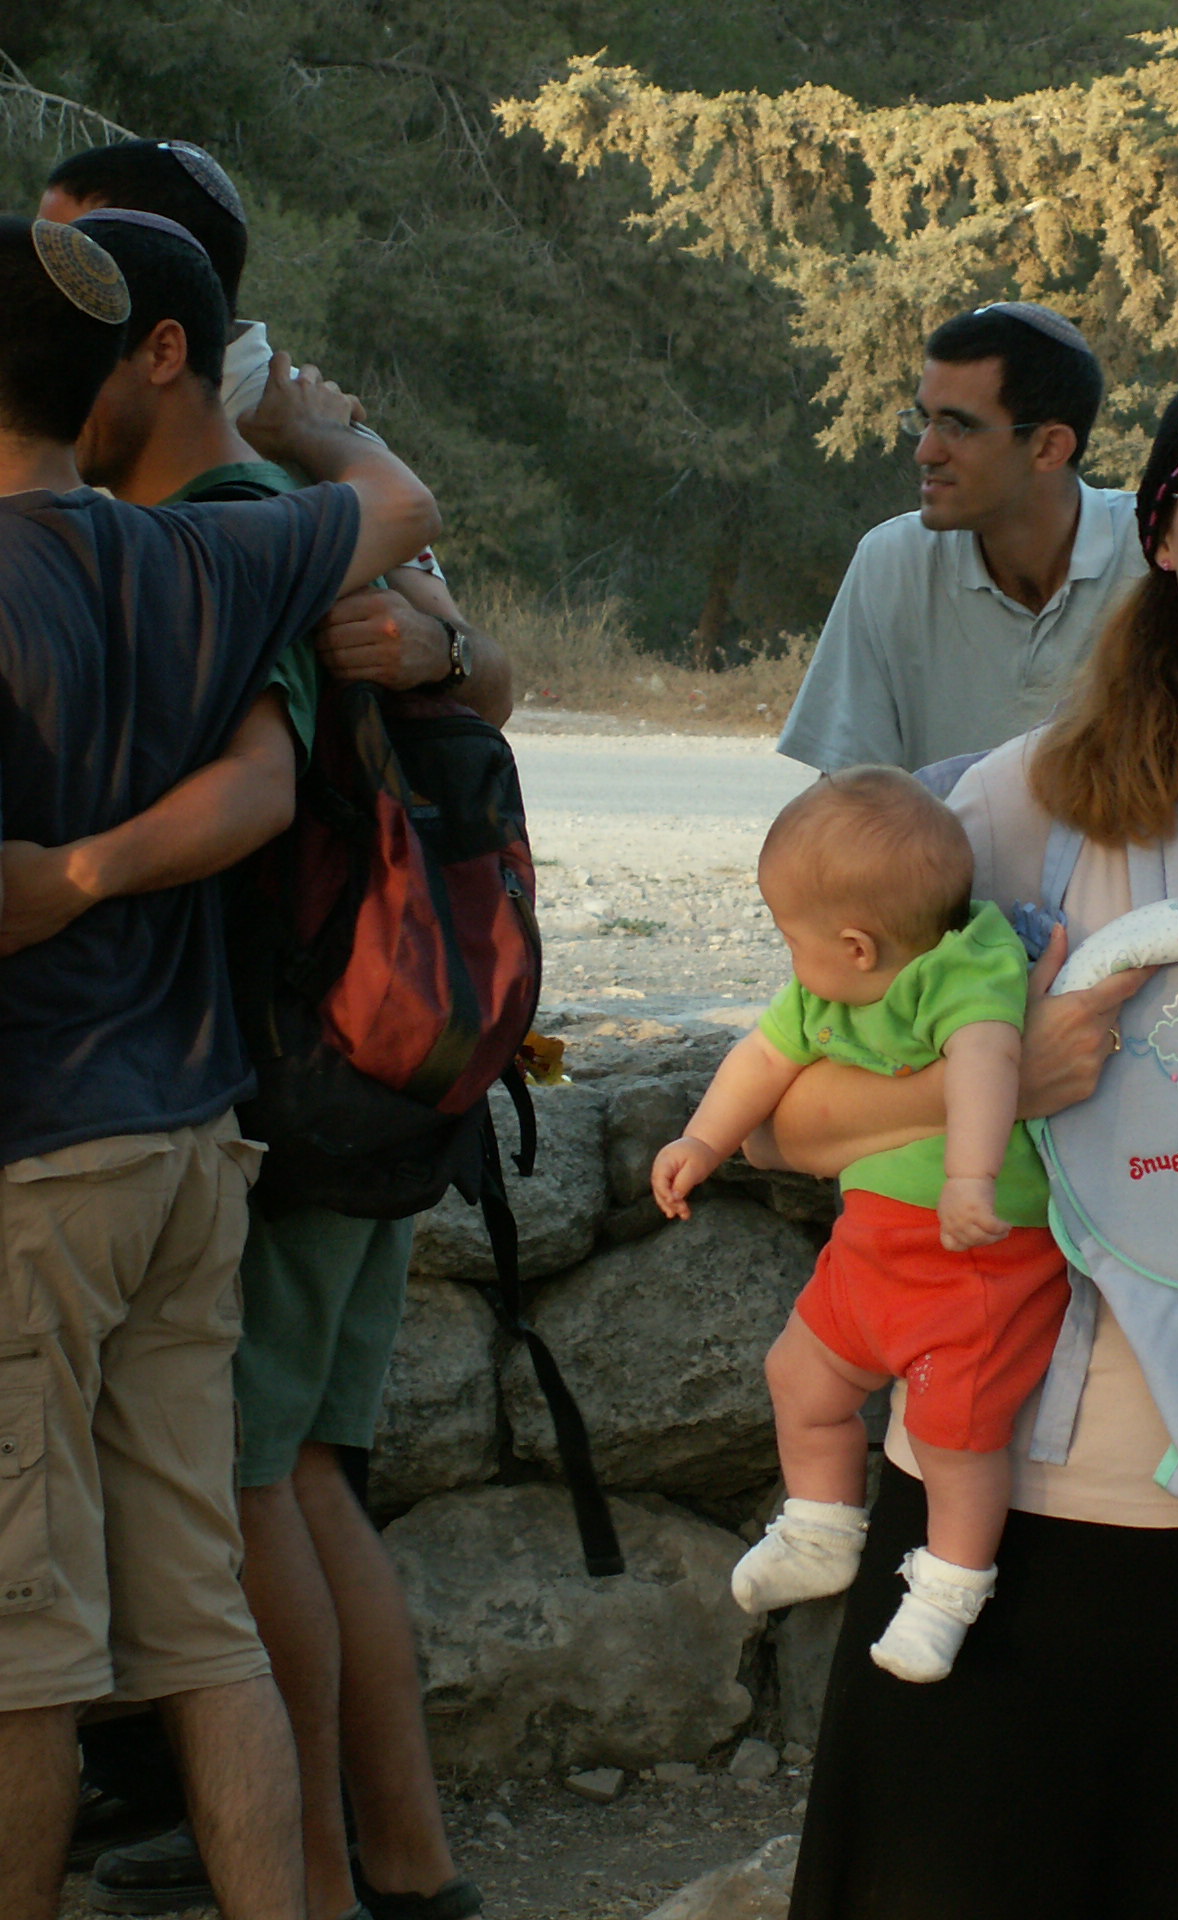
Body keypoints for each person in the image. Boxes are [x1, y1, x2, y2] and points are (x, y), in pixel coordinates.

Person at [761, 349, 1178, 1918]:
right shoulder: (1019, 811)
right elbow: (790, 1116)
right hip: (1020, 1518)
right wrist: (992, 1086)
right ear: (1165, 534)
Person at [20, 210, 496, 1920]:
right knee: (236, 1557)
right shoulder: (232, 544)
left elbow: (278, 778)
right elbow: (419, 580)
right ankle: (360, 1880)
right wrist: (326, 433)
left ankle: (345, 1877)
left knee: (74, 1612)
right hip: (262, 1109)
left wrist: (64, 879)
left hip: (127, 1119)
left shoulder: (186, 537)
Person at [653, 769, 1070, 1682]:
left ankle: (950, 1588)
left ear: (855, 945)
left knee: (957, 1434)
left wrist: (969, 1177)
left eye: (789, 939)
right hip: (872, 1248)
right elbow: (762, 1060)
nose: (787, 958)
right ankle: (820, 1529)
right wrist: (701, 1140)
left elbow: (989, 1064)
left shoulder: (964, 973)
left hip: (971, 1261)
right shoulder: (828, 993)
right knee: (798, 1374)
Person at [39, 139, 514, 737]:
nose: (42, 279)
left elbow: (489, 688)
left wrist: (438, 650)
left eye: (76, 256)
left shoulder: (300, 429)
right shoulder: (70, 405)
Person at [777, 302, 1148, 784]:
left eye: (957, 427)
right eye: (924, 420)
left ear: (1049, 447)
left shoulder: (1160, 556)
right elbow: (853, 797)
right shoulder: (893, 563)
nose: (925, 451)